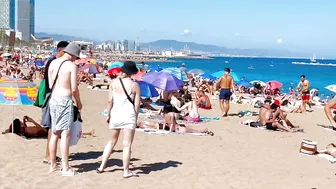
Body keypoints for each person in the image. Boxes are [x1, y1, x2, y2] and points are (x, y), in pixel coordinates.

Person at [97, 61, 141, 178]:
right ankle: (126, 171)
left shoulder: (114, 83)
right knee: (127, 145)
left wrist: (108, 114)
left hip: (116, 114)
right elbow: (137, 105)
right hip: (128, 115)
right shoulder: (134, 85)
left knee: (111, 142)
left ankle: (101, 166)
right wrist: (135, 118)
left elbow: (110, 101)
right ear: (132, 73)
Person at [48, 42, 82, 176]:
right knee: (65, 133)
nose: (76, 59)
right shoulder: (71, 66)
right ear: (73, 54)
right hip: (64, 99)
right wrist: (79, 102)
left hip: (54, 99)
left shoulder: (53, 63)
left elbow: (51, 83)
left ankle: (52, 164)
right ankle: (65, 167)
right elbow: (74, 88)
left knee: (55, 132)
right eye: (76, 57)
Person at [42, 41, 69, 165]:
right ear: (60, 51)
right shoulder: (54, 62)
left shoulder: (52, 61)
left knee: (53, 128)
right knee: (53, 128)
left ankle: (50, 155)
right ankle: (48, 156)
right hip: (53, 96)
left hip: (51, 96)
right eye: (66, 52)